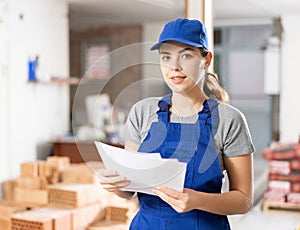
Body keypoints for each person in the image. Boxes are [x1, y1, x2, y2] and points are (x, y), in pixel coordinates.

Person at [99, 18, 255, 230]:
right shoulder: (143, 112)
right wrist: (117, 186)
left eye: (187, 55)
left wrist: (198, 200)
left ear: (207, 60)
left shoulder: (229, 119)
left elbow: (244, 200)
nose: (174, 66)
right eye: (166, 56)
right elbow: (131, 190)